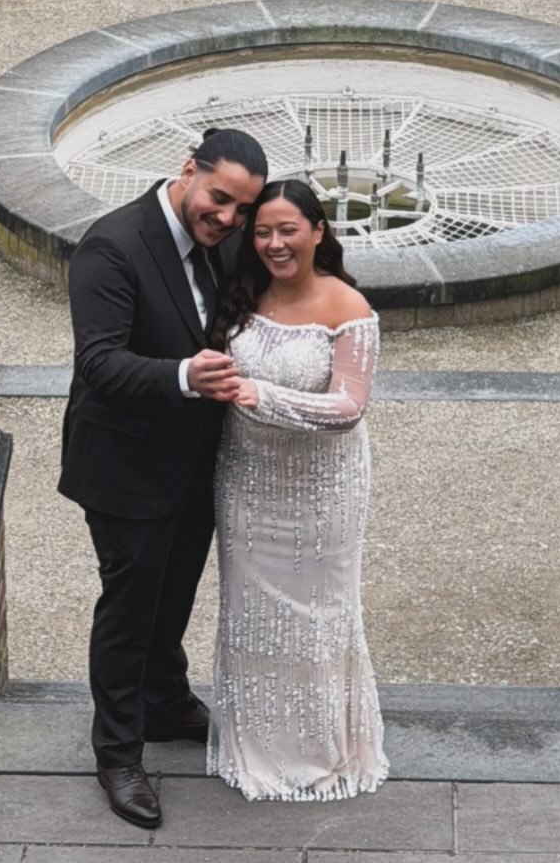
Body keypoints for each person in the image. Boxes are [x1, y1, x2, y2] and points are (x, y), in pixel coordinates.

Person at [58, 129, 268, 829]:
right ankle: (118, 754)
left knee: (174, 590)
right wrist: (183, 375)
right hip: (125, 466)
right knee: (130, 608)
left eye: (242, 209)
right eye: (219, 199)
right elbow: (98, 363)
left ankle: (165, 700)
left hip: (197, 459)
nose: (228, 218)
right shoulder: (112, 246)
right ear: (187, 170)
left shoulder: (226, 243)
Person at [206, 178, 389, 802]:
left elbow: (349, 408)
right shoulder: (242, 290)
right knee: (250, 614)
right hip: (245, 482)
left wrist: (261, 394)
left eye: (288, 230)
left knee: (317, 617)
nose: (274, 244)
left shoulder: (349, 308)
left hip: (323, 491)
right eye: (262, 232)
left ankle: (317, 749)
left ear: (318, 231)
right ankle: (256, 744)